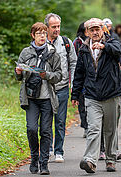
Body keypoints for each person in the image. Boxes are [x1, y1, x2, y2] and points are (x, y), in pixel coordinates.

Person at [71, 18, 121, 173]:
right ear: (87, 32)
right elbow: (79, 73)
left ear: (102, 30)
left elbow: (118, 51)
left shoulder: (112, 42)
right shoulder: (84, 49)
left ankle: (110, 159)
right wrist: (75, 94)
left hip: (111, 94)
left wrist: (104, 46)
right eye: (91, 30)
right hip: (92, 96)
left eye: (97, 29)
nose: (95, 32)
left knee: (110, 130)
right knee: (93, 129)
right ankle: (90, 160)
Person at [15, 22, 62, 175]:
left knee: (46, 131)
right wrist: (18, 72)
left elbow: (59, 76)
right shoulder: (25, 52)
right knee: (32, 129)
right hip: (31, 98)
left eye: (43, 33)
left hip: (47, 98)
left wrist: (47, 75)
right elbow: (18, 77)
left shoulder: (53, 53)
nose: (42, 36)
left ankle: (44, 164)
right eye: (38, 33)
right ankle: (34, 157)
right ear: (33, 36)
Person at [44, 13, 77, 163]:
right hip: (45, 89)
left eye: (58, 26)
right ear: (47, 28)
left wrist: (73, 85)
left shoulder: (66, 42)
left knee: (60, 121)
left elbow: (73, 63)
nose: (57, 29)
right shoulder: (40, 42)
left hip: (62, 87)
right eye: (54, 27)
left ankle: (59, 151)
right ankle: (48, 149)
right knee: (45, 120)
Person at [73, 22, 88, 138]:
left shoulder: (94, 41)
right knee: (82, 104)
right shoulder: (76, 43)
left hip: (91, 77)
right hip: (80, 75)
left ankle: (92, 126)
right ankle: (85, 126)